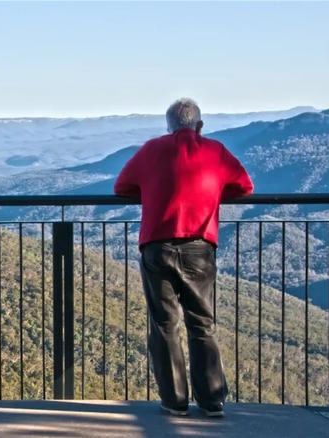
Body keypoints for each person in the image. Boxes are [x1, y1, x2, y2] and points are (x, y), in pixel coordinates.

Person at [113, 98, 253, 417]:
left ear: (168, 126)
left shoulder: (151, 149)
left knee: (164, 324)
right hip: (199, 247)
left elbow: (121, 186)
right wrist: (214, 192)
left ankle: (174, 401)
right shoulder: (215, 150)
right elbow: (245, 187)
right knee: (201, 323)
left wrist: (152, 191)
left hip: (157, 246)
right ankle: (211, 399)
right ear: (199, 125)